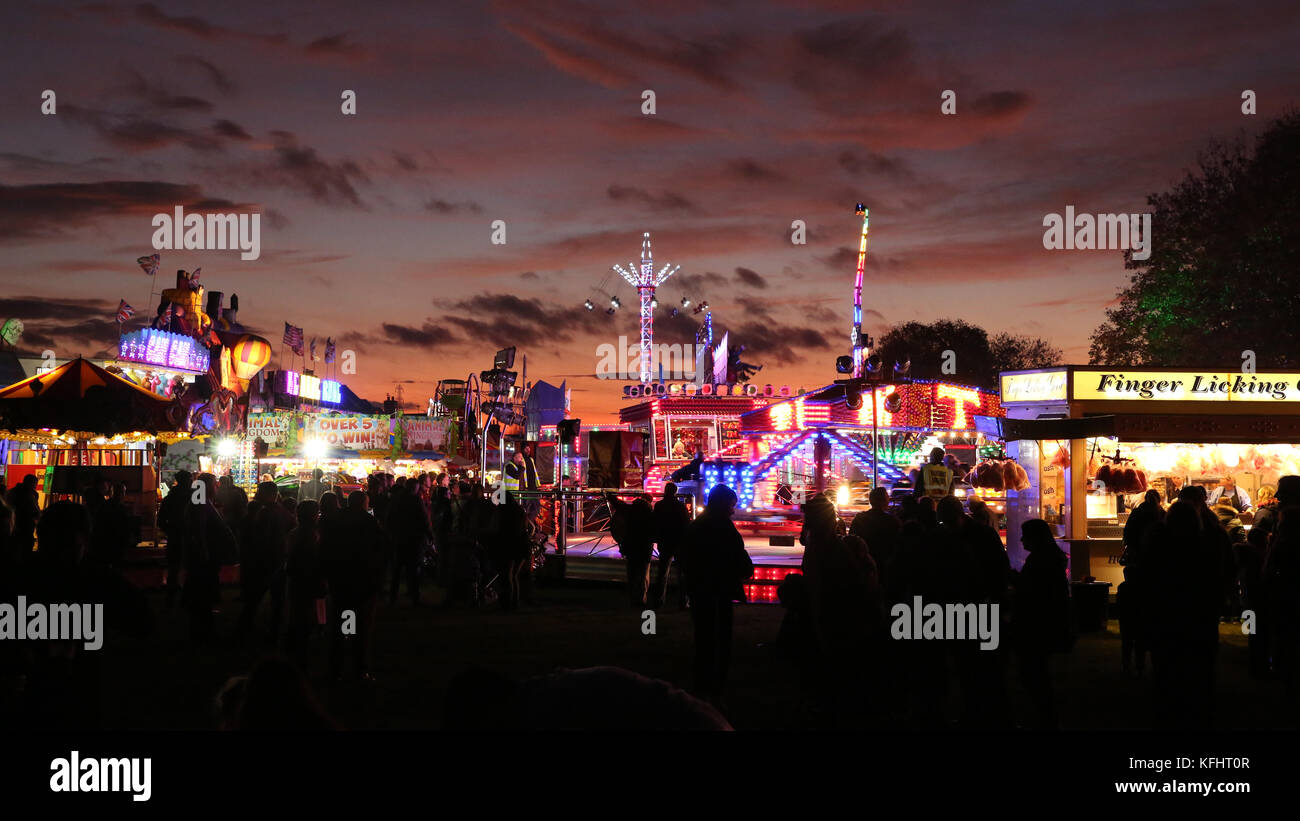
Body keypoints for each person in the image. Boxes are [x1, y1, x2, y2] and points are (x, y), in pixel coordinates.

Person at [679, 484, 754, 707]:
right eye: (732, 506)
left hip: (699, 589)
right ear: (724, 505)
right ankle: (714, 687)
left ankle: (702, 684)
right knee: (719, 639)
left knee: (703, 638)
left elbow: (685, 557)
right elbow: (739, 561)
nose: (733, 510)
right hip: (719, 590)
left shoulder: (696, 526)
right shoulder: (725, 529)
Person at [1011, 519, 1071, 729]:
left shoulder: (1040, 562)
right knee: (1037, 673)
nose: (1021, 539)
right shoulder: (1050, 559)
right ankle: (1044, 717)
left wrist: (1012, 579)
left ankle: (1042, 717)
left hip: (1037, 626)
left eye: (1025, 535)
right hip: (1046, 624)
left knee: (1033, 673)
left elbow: (1031, 591)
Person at [323, 491, 386, 680]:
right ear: (363, 503)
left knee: (344, 621)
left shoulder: (337, 520)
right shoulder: (369, 522)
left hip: (342, 581)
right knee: (362, 628)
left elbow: (327, 548)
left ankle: (339, 665)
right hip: (362, 582)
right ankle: (358, 667)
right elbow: (379, 550)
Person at [237, 481, 295, 643]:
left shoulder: (266, 513)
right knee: (276, 599)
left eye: (259, 492)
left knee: (256, 597)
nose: (256, 495)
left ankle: (246, 629)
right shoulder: (281, 511)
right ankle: (274, 632)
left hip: (267, 560)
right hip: (278, 559)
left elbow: (261, 538)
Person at [285, 499, 326, 669]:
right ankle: (304, 651)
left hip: (297, 580)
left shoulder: (295, 533)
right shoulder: (314, 536)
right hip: (310, 579)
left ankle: (297, 646)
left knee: (298, 612)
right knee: (310, 613)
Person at [849, 487, 902, 597]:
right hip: (886, 568)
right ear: (884, 501)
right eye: (887, 497)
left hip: (864, 568)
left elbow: (852, 541)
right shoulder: (892, 521)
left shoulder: (859, 519)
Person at [607, 492, 656, 607]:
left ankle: (632, 599)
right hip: (644, 548)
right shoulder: (650, 513)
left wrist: (609, 495)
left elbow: (618, 503)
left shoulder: (630, 510)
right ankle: (641, 599)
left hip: (630, 546)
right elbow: (655, 531)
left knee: (632, 574)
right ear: (649, 502)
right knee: (643, 576)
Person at [385, 483, 430, 607]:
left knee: (397, 570)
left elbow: (389, 518)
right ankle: (414, 597)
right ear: (414, 489)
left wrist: (391, 534)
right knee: (413, 570)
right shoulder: (416, 500)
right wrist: (429, 535)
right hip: (413, 539)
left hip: (399, 538)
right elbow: (423, 518)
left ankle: (392, 597)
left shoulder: (396, 500)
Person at [650, 482, 690, 609]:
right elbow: (686, 523)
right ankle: (683, 601)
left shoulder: (659, 505)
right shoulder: (680, 506)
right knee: (682, 573)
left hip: (664, 541)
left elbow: (655, 522)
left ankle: (659, 600)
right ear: (675, 492)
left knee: (662, 572)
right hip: (678, 542)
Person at [88, 482, 132, 569]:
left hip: (106, 542)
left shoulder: (104, 505)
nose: (122, 494)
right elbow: (125, 526)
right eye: (121, 492)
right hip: (115, 542)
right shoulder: (121, 508)